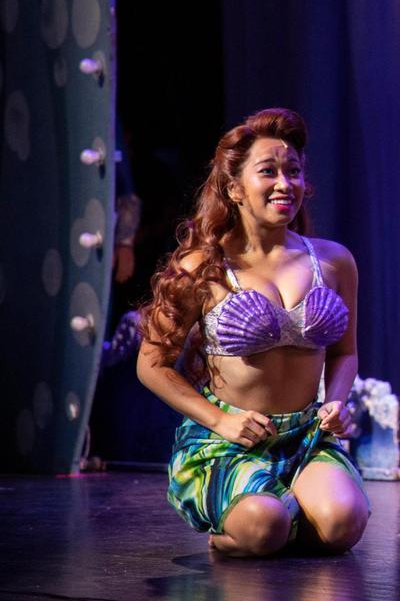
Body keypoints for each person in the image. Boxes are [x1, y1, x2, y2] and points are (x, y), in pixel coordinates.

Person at [137, 108, 369, 557]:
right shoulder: (202, 268)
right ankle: (246, 529)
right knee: (264, 527)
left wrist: (337, 401)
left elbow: (345, 353)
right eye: (269, 172)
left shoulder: (335, 261)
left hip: (305, 435)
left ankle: (289, 515)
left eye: (294, 171)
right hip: (228, 440)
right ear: (235, 189)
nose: (286, 183)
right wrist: (221, 419)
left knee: (344, 525)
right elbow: (151, 365)